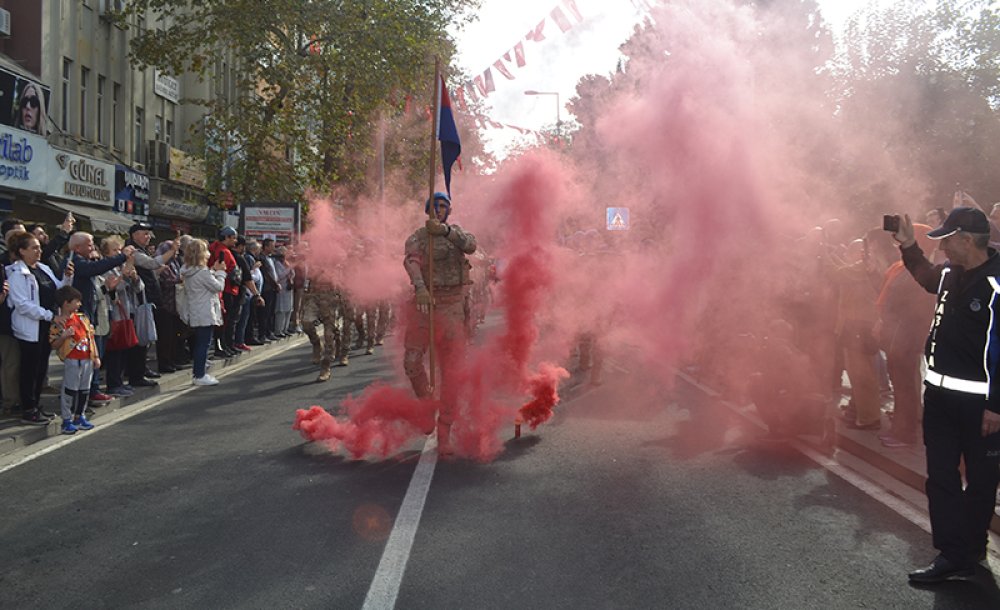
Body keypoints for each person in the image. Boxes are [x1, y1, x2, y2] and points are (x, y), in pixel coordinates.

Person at [892, 207, 1000, 583]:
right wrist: (908, 245)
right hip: (938, 400)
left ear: (966, 241)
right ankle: (953, 554)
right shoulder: (951, 273)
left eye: (947, 241)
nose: (943, 249)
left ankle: (971, 549)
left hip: (981, 408)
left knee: (982, 483)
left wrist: (996, 406)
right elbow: (925, 277)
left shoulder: (997, 283)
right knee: (940, 477)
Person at [402, 191, 477, 455]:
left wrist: (445, 231)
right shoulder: (418, 238)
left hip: (453, 306)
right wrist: (420, 287)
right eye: (435, 206)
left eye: (444, 206)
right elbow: (411, 261)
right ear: (427, 210)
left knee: (452, 370)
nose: (439, 209)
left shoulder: (456, 234)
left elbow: (471, 245)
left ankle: (445, 427)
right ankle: (426, 405)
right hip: (425, 304)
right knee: (411, 360)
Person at [5, 231, 74, 425]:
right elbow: (22, 304)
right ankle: (28, 408)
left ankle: (36, 404)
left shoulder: (42, 267)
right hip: (30, 327)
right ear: (22, 251)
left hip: (46, 326)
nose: (39, 251)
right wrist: (51, 315)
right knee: (30, 369)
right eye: (34, 248)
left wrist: (68, 277)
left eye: (39, 247)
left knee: (41, 368)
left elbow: (58, 289)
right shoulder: (17, 273)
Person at [49, 286, 99, 434]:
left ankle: (80, 416)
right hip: (72, 359)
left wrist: (95, 356)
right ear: (66, 303)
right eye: (76, 302)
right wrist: (63, 336)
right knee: (70, 390)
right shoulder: (59, 322)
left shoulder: (82, 318)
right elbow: (53, 344)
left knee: (84, 389)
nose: (79, 305)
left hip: (86, 358)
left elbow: (91, 337)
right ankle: (66, 419)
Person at [181, 238, 226, 386]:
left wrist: (213, 270)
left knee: (200, 343)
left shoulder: (188, 270)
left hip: (195, 309)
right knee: (203, 344)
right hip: (205, 311)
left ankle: (199, 372)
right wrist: (220, 273)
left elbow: (204, 279)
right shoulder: (202, 272)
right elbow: (218, 287)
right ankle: (199, 375)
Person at [208, 226, 240, 357]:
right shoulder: (223, 251)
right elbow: (223, 270)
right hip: (225, 289)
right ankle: (221, 346)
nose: (235, 241)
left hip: (225, 288)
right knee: (224, 320)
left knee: (225, 320)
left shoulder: (218, 248)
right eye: (233, 238)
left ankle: (224, 345)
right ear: (226, 237)